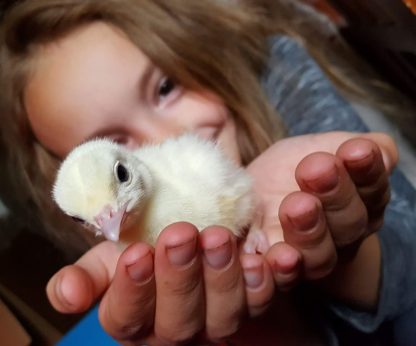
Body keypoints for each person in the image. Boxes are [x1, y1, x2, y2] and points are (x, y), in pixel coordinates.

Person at [0, 0, 414, 345]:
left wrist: (339, 258)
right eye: (118, 140)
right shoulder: (126, 235)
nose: (167, 139)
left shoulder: (278, 72)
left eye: (165, 88)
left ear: (189, 50)